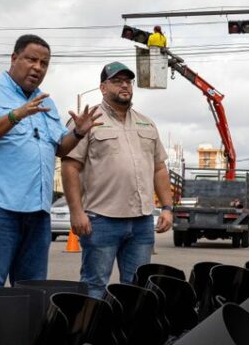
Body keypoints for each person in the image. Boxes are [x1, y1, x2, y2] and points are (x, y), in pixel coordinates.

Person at [0, 35, 99, 288]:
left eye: (44, 63)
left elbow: (60, 148)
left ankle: (21, 330)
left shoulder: (46, 103)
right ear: (14, 58)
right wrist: (16, 114)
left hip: (37, 211)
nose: (38, 67)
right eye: (31, 59)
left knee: (32, 290)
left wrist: (78, 132)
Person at [61, 61, 174, 299]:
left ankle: (127, 336)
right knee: (94, 286)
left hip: (142, 222)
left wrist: (166, 207)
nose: (125, 85)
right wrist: (76, 212)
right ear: (103, 87)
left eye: (128, 81)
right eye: (117, 81)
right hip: (101, 219)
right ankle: (88, 335)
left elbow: (159, 168)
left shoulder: (146, 122)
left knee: (137, 289)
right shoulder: (87, 121)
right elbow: (70, 166)